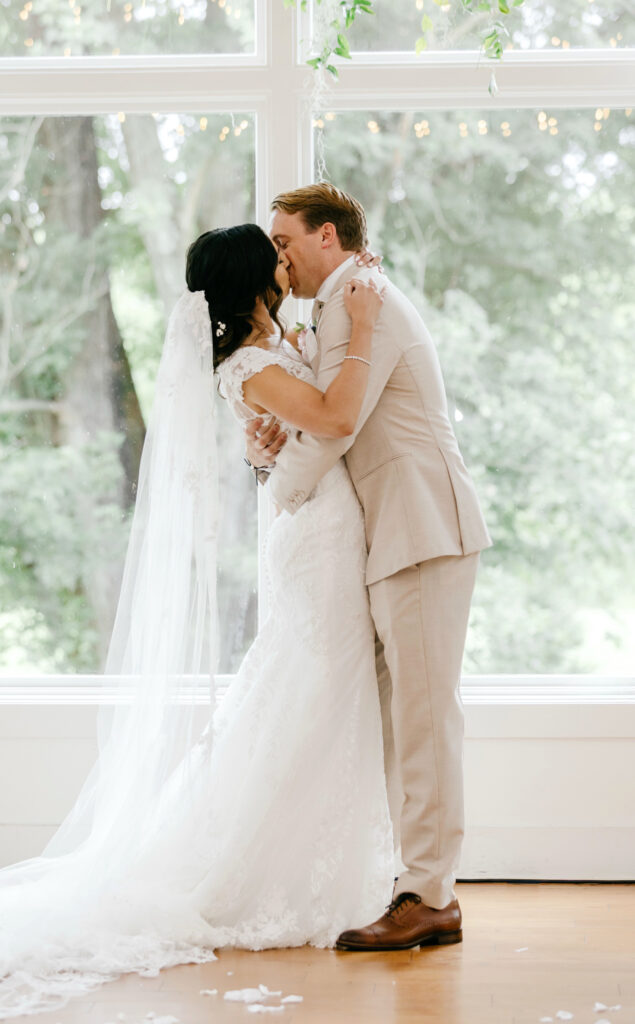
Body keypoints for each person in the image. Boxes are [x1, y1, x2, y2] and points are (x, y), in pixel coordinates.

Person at [0, 223, 396, 1022]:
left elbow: (297, 425)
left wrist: (272, 440)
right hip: (314, 535)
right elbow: (331, 417)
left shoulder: (271, 345)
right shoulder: (249, 364)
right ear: (256, 275)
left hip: (322, 519)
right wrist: (360, 329)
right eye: (278, 255)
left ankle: (314, 857)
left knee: (308, 685)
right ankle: (257, 871)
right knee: (315, 682)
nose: (287, 261)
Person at [245, 182, 492, 951]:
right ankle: (414, 882)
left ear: (328, 237)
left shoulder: (362, 297)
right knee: (400, 721)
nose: (277, 257)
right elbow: (318, 408)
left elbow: (335, 427)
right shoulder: (335, 308)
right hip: (390, 534)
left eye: (285, 240)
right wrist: (271, 442)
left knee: (422, 720)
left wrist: (277, 489)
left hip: (421, 525)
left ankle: (429, 895)